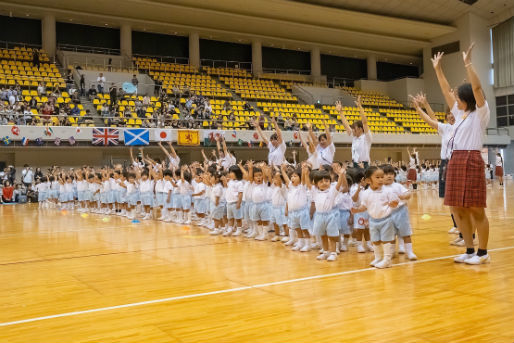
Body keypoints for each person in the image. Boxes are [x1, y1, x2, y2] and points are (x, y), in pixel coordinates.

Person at [432, 43, 490, 265]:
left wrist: (468, 64)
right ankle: (468, 249)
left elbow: (477, 88)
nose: (454, 98)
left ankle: (483, 253)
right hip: (455, 159)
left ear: (467, 97)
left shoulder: (480, 113)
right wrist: (438, 69)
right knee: (458, 208)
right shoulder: (459, 112)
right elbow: (446, 89)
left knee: (476, 209)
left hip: (472, 159)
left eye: (457, 96)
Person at [412, 94, 459, 235]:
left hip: (456, 162)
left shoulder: (460, 127)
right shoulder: (445, 128)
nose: (451, 115)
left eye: (453, 113)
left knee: (457, 198)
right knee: (448, 197)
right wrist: (424, 105)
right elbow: (432, 119)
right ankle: (456, 225)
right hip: (445, 163)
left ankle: (462, 227)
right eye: (448, 113)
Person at [352, 166, 400, 269]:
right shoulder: (366, 193)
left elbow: (395, 202)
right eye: (377, 177)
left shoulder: (387, 191)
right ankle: (378, 258)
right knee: (375, 240)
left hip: (386, 220)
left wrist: (394, 204)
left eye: (382, 177)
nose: (381, 179)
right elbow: (364, 206)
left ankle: (387, 260)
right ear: (368, 180)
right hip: (373, 221)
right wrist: (357, 210)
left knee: (386, 240)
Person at [337, 96, 372, 168]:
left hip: (364, 164)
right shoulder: (354, 137)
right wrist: (341, 112)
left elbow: (365, 122)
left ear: (360, 129)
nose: (352, 130)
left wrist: (360, 107)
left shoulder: (366, 137)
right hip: (355, 164)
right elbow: (346, 125)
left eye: (354, 128)